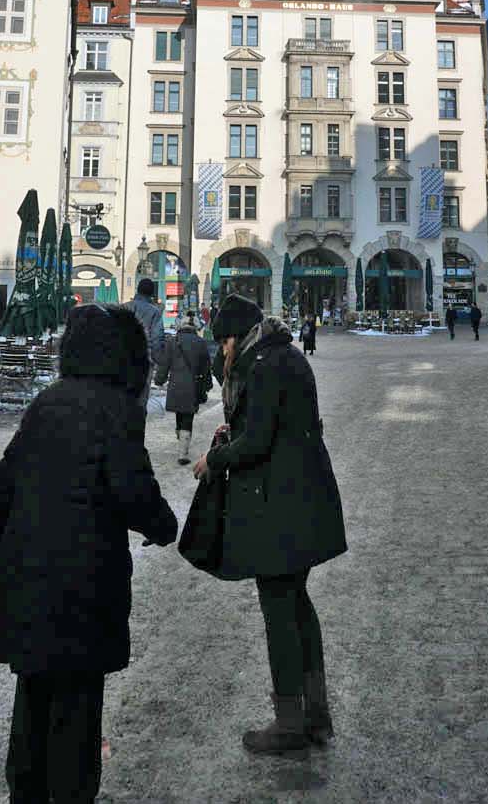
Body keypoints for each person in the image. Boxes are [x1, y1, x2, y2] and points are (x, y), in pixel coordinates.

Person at [0, 303, 177, 804]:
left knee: (32, 697)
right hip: (85, 589)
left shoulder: (46, 404)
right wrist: (163, 526)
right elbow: (134, 492)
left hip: (28, 582)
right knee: (77, 707)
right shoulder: (117, 411)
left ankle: (25, 795)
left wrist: (14, 554)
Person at [193, 293, 347, 755]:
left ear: (238, 336)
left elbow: (258, 442)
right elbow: (274, 428)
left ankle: (289, 723)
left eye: (223, 343)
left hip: (281, 508)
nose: (222, 352)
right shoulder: (285, 355)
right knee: (297, 606)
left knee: (279, 612)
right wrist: (233, 433)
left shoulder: (262, 367)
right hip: (305, 501)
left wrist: (213, 458)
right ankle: (315, 715)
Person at [155, 312, 212, 464]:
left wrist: (159, 379)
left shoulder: (173, 342)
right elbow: (206, 367)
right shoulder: (200, 343)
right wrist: (207, 385)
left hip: (175, 385)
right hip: (193, 386)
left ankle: (181, 440)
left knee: (180, 415)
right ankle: (183, 452)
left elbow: (164, 364)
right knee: (188, 417)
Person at [130, 277, 165, 402]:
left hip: (122, 359)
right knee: (141, 400)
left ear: (137, 290)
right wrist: (159, 362)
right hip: (144, 361)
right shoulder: (154, 312)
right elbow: (157, 339)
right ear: (151, 293)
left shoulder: (124, 307)